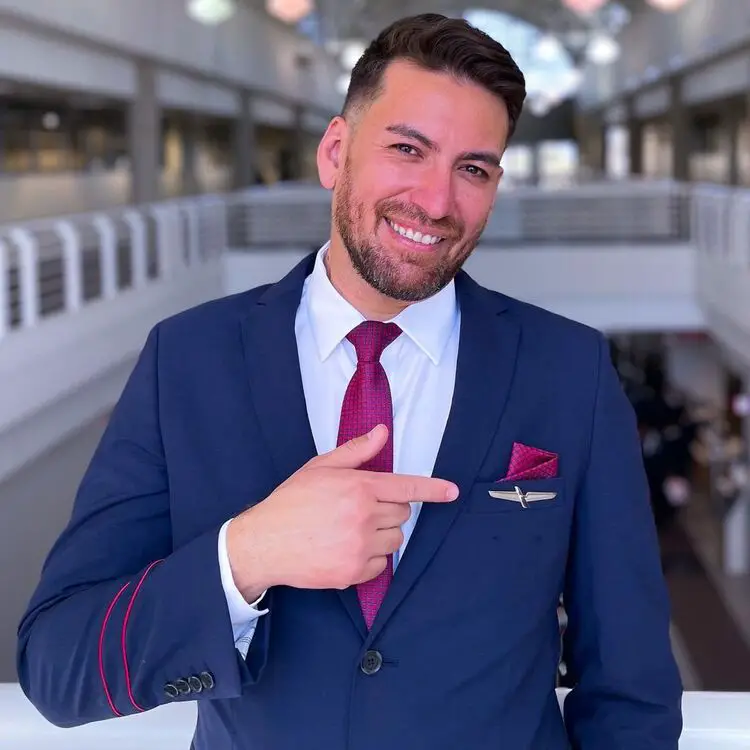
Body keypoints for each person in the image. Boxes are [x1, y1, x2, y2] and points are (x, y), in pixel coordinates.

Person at [17, 13, 682, 749]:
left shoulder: (570, 370)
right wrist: (248, 555)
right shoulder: (189, 361)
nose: (435, 201)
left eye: (473, 168)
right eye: (407, 149)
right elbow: (59, 665)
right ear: (336, 152)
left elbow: (631, 686)